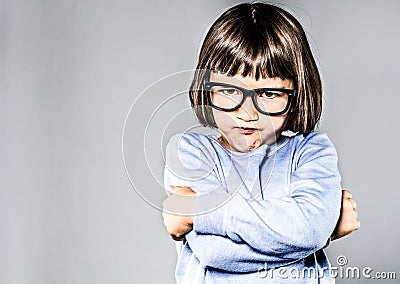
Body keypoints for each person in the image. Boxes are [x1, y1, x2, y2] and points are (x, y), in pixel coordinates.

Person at [162, 2, 360, 283]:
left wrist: (201, 210)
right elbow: (215, 253)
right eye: (229, 90)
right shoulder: (191, 152)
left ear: (297, 93)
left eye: (268, 93)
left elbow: (310, 231)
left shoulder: (311, 152)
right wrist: (316, 232)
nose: (247, 113)